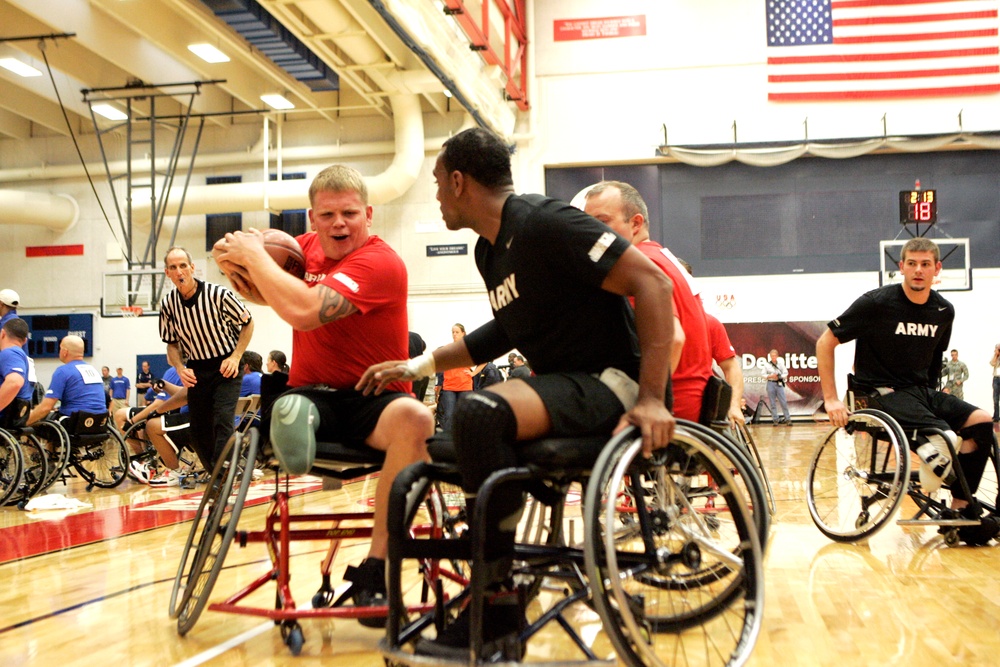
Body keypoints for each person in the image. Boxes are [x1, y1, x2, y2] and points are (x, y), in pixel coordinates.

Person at [358, 127, 675, 659]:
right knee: (458, 435)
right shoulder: (490, 250)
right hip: (563, 386)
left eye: (438, 186)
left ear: (459, 182)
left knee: (480, 413)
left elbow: (654, 284)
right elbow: (504, 329)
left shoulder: (546, 223)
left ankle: (496, 599)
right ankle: (485, 572)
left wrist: (652, 398)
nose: (436, 198)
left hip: (611, 382)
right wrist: (422, 362)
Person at [212, 164, 433, 627]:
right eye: (328, 214)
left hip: (375, 397)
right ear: (311, 218)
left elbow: (308, 311)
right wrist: (235, 262)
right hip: (313, 391)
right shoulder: (301, 251)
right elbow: (274, 294)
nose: (339, 223)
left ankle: (376, 568)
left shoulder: (380, 262)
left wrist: (256, 258)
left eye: (350, 213)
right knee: (296, 404)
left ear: (368, 214)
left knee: (417, 418)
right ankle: (293, 422)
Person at [817, 237, 999, 546]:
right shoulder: (876, 303)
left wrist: (936, 400)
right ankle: (939, 461)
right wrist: (831, 399)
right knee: (946, 438)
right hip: (876, 393)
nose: (918, 270)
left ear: (936, 269)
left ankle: (960, 507)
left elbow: (934, 360)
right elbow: (826, 342)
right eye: (911, 264)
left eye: (925, 264)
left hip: (919, 392)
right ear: (901, 267)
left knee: (982, 421)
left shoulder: (943, 310)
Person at [583, 180, 713, 422]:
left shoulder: (638, 263)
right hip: (693, 399)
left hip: (674, 406)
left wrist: (651, 402)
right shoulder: (661, 255)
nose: (591, 232)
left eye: (602, 222)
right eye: (586, 223)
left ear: (635, 223)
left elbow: (673, 339)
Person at [159, 246, 254, 472]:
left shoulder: (218, 294)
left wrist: (236, 356)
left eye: (183, 265)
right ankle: (216, 473)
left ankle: (223, 473)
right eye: (173, 267)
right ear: (167, 273)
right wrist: (180, 367)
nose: (179, 271)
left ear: (192, 268)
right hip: (197, 368)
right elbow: (172, 344)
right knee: (198, 428)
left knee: (222, 420)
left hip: (226, 365)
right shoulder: (168, 304)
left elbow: (248, 322)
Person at [27, 335, 107, 424]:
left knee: (37, 420)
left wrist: (24, 422)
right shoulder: (93, 370)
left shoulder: (63, 371)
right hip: (99, 422)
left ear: (65, 352)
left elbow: (46, 408)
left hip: (74, 423)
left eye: (60, 348)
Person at [435, 324, 477, 431]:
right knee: (449, 415)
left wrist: (473, 373)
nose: (454, 334)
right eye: (453, 332)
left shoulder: (469, 347)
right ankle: (449, 441)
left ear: (463, 333)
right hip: (449, 386)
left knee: (464, 414)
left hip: (465, 386)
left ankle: (464, 438)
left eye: (457, 332)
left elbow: (484, 359)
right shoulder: (448, 348)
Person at [0, 318, 32, 425]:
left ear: (2, 334)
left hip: (5, 416)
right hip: (17, 415)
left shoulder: (10, 353)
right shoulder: (22, 355)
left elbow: (15, 382)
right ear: (25, 341)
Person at [763, 349, 791, 425]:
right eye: (772, 356)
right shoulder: (767, 364)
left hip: (779, 383)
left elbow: (786, 373)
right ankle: (775, 419)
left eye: (775, 355)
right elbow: (763, 375)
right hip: (770, 383)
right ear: (770, 356)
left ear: (777, 356)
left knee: (783, 402)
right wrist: (770, 376)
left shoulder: (780, 364)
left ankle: (787, 419)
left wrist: (780, 377)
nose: (773, 357)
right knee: (772, 403)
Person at [408, 331, 430, 402]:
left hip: (412, 373)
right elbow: (424, 346)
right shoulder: (416, 336)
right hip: (423, 372)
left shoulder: (405, 336)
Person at [991, 344, 1000, 423]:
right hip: (996, 378)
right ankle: (996, 416)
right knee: (995, 398)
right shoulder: (996, 357)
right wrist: (996, 355)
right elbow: (992, 363)